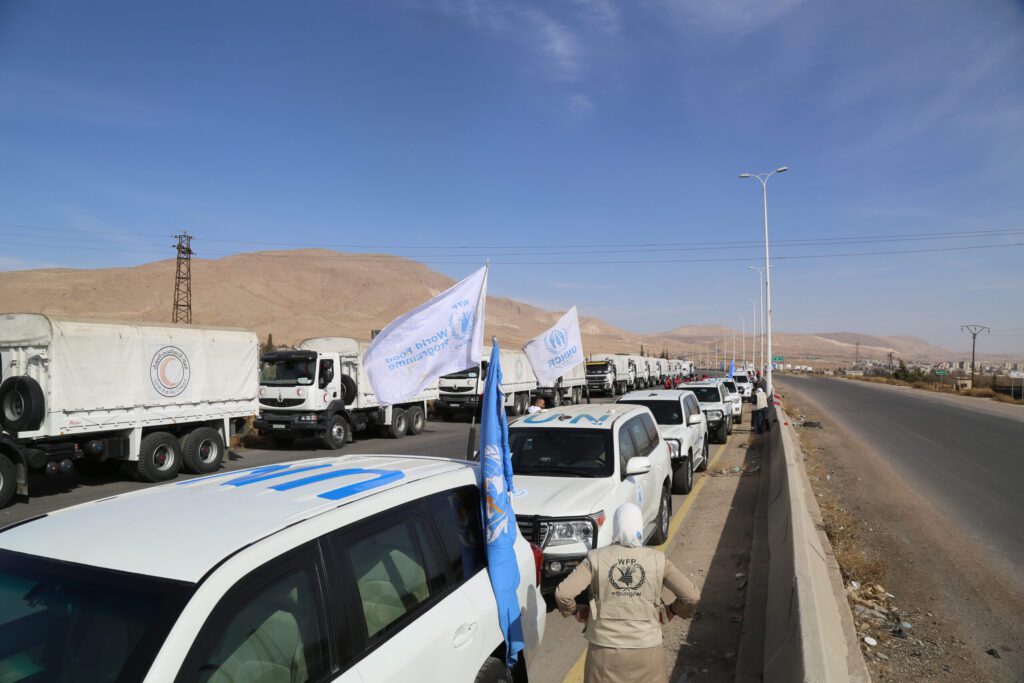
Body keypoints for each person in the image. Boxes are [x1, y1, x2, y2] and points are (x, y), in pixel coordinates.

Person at [554, 503, 700, 683]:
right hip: (647, 651)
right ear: (639, 526)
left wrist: (575, 610)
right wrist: (671, 611)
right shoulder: (658, 560)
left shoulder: (595, 558)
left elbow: (563, 594)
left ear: (615, 527)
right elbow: (691, 596)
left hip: (604, 652)